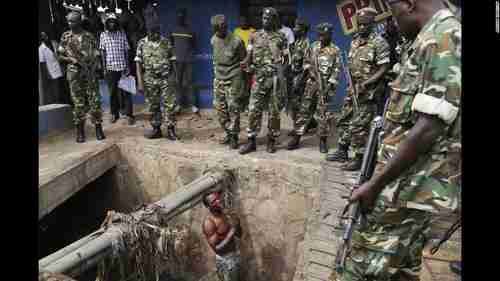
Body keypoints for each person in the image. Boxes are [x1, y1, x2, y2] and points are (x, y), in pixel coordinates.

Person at [334, 1, 461, 280]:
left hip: (403, 190)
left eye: (393, 14)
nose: (392, 24)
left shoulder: (443, 38)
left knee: (359, 269)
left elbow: (429, 127)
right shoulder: (431, 36)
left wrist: (374, 184)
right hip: (408, 188)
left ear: (409, 4)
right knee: (402, 270)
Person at [326, 8, 390, 170]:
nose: (361, 28)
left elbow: (384, 68)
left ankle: (360, 157)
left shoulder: (379, 43)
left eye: (365, 25)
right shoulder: (355, 40)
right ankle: (342, 150)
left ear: (373, 24)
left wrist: (367, 83)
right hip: (352, 88)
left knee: (359, 125)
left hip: (368, 92)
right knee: (344, 119)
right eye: (359, 25)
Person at [239, 7, 288, 155]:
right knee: (253, 110)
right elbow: (249, 54)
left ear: (274, 20)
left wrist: (281, 78)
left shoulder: (281, 37)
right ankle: (251, 141)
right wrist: (246, 62)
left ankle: (271, 141)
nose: (264, 20)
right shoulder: (254, 36)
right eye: (263, 18)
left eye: (268, 18)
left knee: (274, 113)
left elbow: (286, 60)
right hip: (258, 79)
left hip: (274, 80)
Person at [286, 23, 341, 153]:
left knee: (323, 115)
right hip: (311, 84)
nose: (321, 38)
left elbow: (336, 70)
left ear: (330, 35)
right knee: (304, 111)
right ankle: (297, 138)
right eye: (320, 35)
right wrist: (310, 73)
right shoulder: (313, 46)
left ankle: (322, 141)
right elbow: (306, 62)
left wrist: (330, 84)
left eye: (324, 35)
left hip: (326, 86)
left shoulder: (335, 50)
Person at [57, 11, 105, 143]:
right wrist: (71, 60)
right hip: (74, 74)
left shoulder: (89, 36)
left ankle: (98, 128)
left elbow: (97, 54)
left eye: (72, 21)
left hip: (89, 73)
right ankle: (80, 131)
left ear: (79, 22)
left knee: (94, 101)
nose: (70, 23)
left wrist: (95, 66)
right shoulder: (66, 36)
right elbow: (59, 56)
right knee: (78, 103)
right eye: (69, 21)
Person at [135, 20, 178, 141]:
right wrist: (140, 82)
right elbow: (138, 64)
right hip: (149, 80)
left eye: (157, 31)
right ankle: (156, 129)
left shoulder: (166, 42)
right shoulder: (142, 43)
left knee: (170, 105)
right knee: (153, 106)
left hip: (166, 79)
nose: (155, 34)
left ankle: (171, 130)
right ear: (147, 31)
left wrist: (175, 77)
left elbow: (173, 60)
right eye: (152, 32)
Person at [210, 15, 247, 149]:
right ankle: (228, 132)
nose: (222, 30)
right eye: (218, 29)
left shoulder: (237, 41)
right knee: (220, 109)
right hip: (219, 79)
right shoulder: (213, 40)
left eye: (223, 27)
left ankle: (234, 137)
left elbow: (244, 63)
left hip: (234, 78)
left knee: (234, 109)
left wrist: (245, 85)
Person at [99, 13, 135, 125]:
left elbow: (126, 50)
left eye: (114, 21)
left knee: (127, 91)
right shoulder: (103, 35)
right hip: (110, 68)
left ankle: (129, 114)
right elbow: (102, 51)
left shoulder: (122, 34)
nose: (112, 23)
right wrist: (104, 68)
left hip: (123, 67)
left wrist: (128, 66)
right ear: (107, 23)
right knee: (112, 92)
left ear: (117, 23)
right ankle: (114, 113)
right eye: (110, 21)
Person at [202, 191, 242, 281]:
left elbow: (239, 235)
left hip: (235, 256)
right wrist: (231, 232)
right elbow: (216, 248)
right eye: (213, 201)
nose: (218, 201)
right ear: (208, 207)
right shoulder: (209, 223)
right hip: (226, 262)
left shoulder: (226, 214)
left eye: (217, 198)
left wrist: (237, 225)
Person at [171, 8, 199, 115]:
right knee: (177, 83)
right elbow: (171, 45)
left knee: (190, 82)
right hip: (177, 61)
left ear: (185, 18)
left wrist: (188, 54)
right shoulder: (173, 30)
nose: (180, 18)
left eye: (182, 16)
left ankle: (193, 105)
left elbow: (193, 45)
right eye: (178, 16)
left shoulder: (190, 31)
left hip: (188, 60)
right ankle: (178, 105)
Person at [286, 18, 311, 137]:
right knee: (294, 104)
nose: (294, 29)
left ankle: (299, 128)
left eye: (297, 27)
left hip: (300, 78)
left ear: (303, 30)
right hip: (293, 76)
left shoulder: (306, 43)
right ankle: (310, 123)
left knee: (297, 106)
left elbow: (307, 67)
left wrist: (299, 83)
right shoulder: (297, 42)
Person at [233, 15, 256, 112]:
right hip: (239, 61)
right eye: (240, 21)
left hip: (250, 60)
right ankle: (241, 105)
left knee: (249, 84)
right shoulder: (236, 31)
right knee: (240, 84)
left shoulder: (253, 31)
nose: (242, 23)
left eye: (244, 21)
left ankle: (248, 105)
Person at [39, 31, 65, 105]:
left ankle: (64, 101)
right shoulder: (41, 49)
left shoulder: (54, 43)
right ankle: (57, 103)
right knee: (55, 89)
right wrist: (47, 74)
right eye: (43, 36)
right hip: (52, 72)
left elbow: (61, 52)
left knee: (63, 87)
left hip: (60, 70)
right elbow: (42, 64)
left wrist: (62, 67)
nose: (45, 37)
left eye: (46, 35)